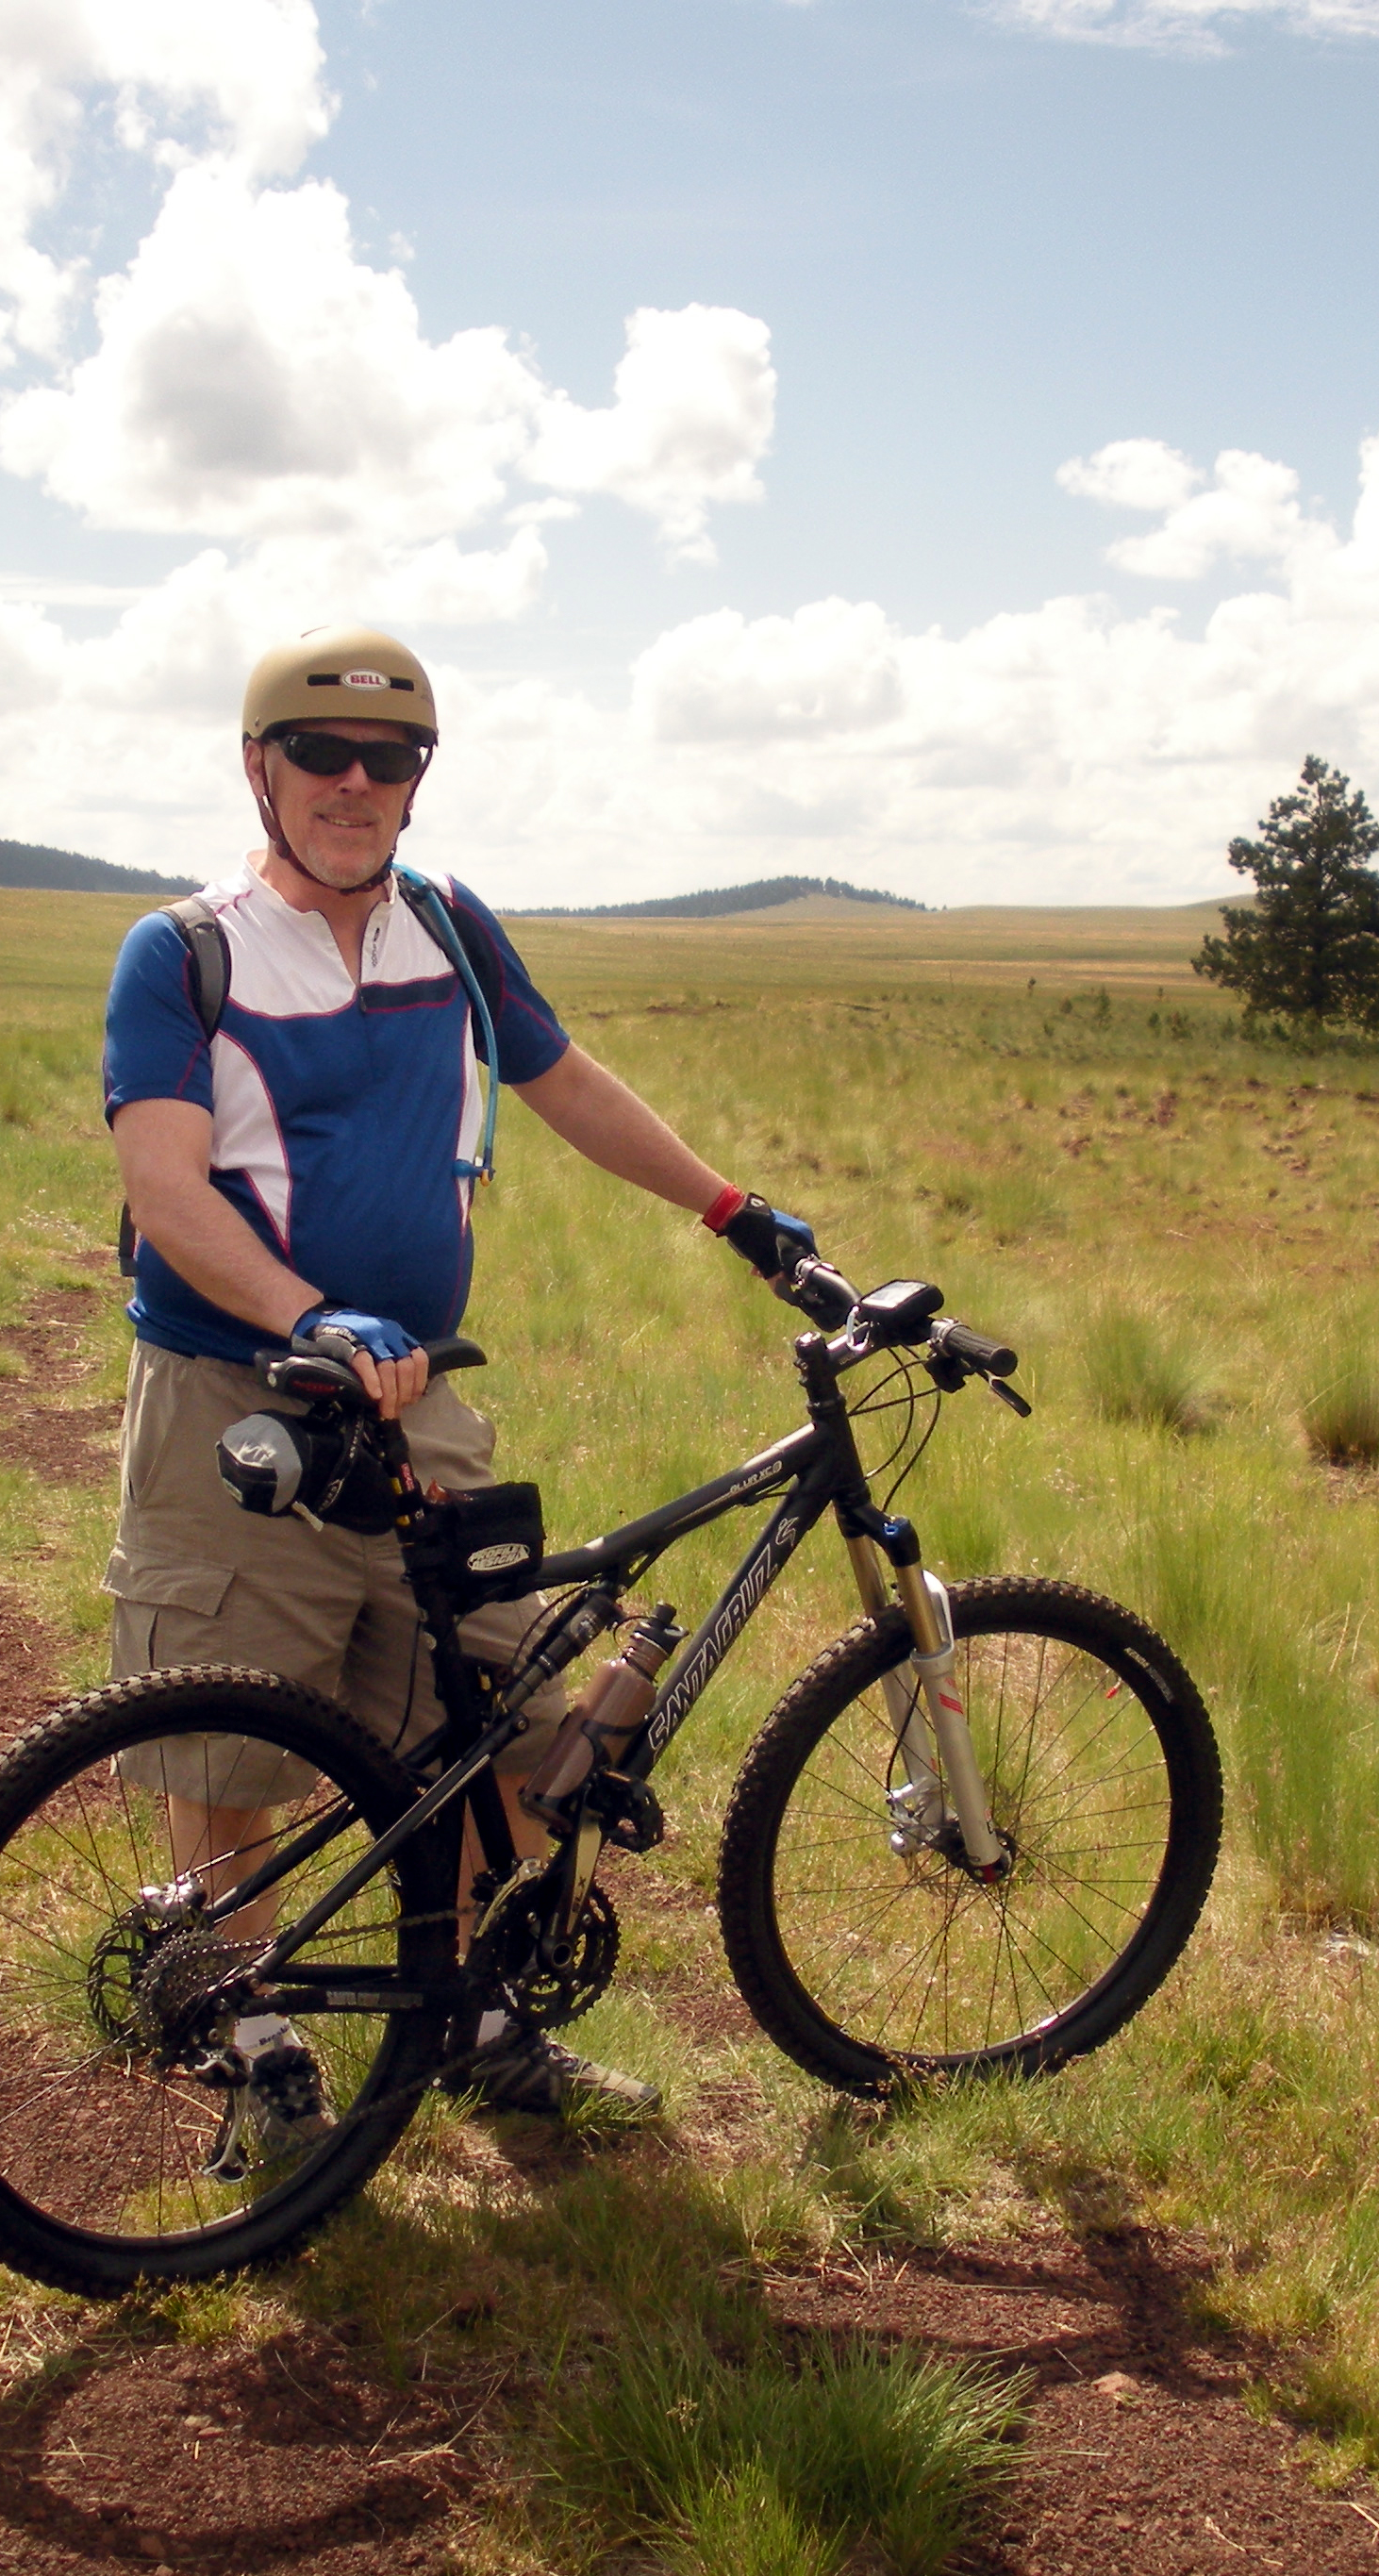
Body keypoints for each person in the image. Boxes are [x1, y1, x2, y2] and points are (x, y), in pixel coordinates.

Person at [99, 622, 813, 2140]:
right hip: (238, 1396)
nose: (356, 785)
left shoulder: (451, 927)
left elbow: (564, 1083)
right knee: (239, 1741)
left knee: (500, 1708)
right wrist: (315, 1316)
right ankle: (259, 2045)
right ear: (260, 770)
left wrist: (733, 1211)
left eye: (391, 759)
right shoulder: (185, 953)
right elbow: (167, 1192)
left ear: (420, 781)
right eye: (321, 755)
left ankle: (471, 2008)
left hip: (417, 1409)